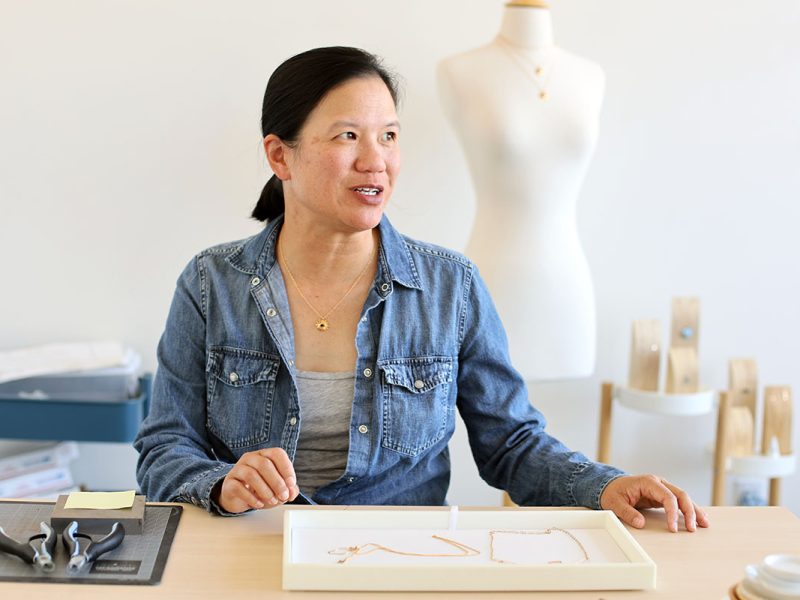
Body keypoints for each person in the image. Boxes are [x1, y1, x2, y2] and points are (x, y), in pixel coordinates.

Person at [134, 46, 709, 533]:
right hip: (250, 551)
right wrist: (221, 483)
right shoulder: (211, 283)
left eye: (388, 136)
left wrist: (604, 486)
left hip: (399, 553)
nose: (375, 160)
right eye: (348, 136)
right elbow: (164, 451)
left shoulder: (450, 286)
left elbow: (511, 444)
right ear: (280, 155)